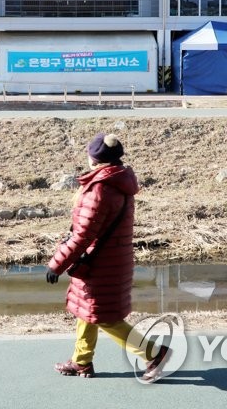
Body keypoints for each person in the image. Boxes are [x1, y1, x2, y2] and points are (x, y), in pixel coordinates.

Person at [45, 133, 170, 383]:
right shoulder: (120, 182)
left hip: (99, 265)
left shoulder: (100, 189)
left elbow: (82, 235)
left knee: (106, 318)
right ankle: (81, 361)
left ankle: (153, 354)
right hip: (111, 260)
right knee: (87, 311)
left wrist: (56, 264)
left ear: (94, 159)